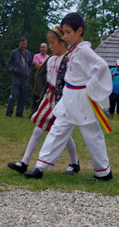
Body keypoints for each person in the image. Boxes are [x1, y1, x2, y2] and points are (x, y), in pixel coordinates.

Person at [24, 13, 113, 181]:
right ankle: (41, 166)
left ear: (79, 31)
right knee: (57, 129)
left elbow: (101, 66)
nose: (65, 36)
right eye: (63, 33)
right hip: (68, 96)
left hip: (82, 98)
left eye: (68, 32)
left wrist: (92, 89)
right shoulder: (74, 50)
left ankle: (103, 172)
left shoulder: (85, 50)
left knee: (91, 134)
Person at [8, 27, 80, 176]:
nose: (50, 46)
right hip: (49, 97)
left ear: (62, 43)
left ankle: (31, 164)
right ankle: (73, 163)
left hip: (61, 100)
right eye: (49, 43)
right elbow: (43, 78)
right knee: (52, 131)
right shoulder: (51, 59)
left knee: (46, 130)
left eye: (53, 43)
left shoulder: (68, 60)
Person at [6, 37, 32, 118]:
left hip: (25, 77)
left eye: (25, 44)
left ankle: (19, 113)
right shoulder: (14, 52)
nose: (23, 45)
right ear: (19, 44)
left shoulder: (28, 53)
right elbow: (9, 63)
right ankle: (9, 113)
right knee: (13, 95)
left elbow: (30, 64)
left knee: (23, 96)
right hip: (16, 76)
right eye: (22, 44)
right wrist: (13, 69)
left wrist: (29, 72)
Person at [31, 42, 50, 113]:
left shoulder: (48, 57)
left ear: (46, 48)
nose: (42, 49)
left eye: (44, 47)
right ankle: (34, 110)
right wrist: (44, 66)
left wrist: (41, 65)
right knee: (37, 93)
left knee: (44, 94)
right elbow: (36, 65)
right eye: (41, 47)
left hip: (45, 78)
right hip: (38, 77)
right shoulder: (36, 56)